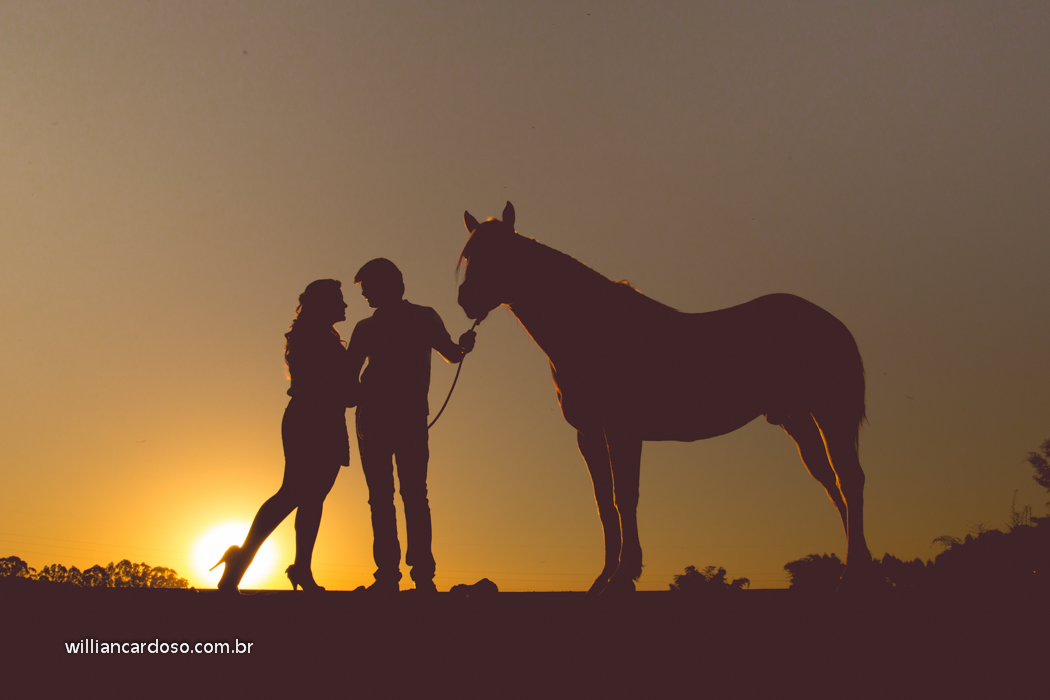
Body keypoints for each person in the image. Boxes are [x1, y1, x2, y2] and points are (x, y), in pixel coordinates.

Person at [212, 279, 351, 594]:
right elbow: (335, 387)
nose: (345, 306)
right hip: (313, 419)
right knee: (295, 493)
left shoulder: (315, 337)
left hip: (320, 419)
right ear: (324, 304)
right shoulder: (315, 339)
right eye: (339, 300)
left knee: (310, 497)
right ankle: (252, 558)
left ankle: (294, 566)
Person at [347, 258, 476, 593]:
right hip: (402, 418)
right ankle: (418, 576)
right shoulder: (422, 317)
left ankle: (392, 576)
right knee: (412, 495)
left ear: (388, 286)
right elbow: (451, 353)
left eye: (368, 289)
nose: (365, 296)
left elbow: (349, 379)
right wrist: (462, 347)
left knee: (387, 497)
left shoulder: (368, 328)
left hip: (377, 419)